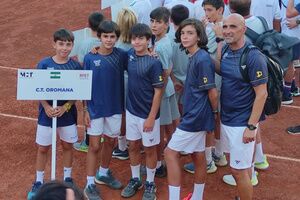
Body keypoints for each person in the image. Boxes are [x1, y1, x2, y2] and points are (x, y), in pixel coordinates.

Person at [164, 18, 218, 200]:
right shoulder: (194, 56)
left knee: (170, 153)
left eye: (190, 33)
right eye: (183, 33)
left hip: (195, 117)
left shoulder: (201, 59)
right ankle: (197, 197)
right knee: (198, 156)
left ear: (199, 36)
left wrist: (214, 115)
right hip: (196, 114)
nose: (185, 36)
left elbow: (212, 92)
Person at [220, 0, 271, 188]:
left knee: (240, 172)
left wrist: (251, 126)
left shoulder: (253, 56)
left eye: (233, 26)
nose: (227, 30)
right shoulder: (225, 49)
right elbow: (223, 70)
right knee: (236, 167)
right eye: (225, 26)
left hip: (242, 123)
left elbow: (262, 94)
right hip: (227, 118)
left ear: (243, 29)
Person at [27, 28, 82, 200]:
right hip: (46, 115)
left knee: (67, 146)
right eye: (61, 44)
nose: (64, 48)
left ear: (72, 45)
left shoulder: (75, 66)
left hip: (67, 114)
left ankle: (67, 178)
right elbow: (37, 88)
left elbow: (78, 91)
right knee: (43, 148)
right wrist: (46, 106)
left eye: (68, 44)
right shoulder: (44, 64)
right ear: (54, 44)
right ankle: (38, 181)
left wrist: (66, 106)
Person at [82, 20, 127, 200]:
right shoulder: (89, 58)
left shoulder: (121, 55)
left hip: (115, 107)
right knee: (94, 146)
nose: (109, 40)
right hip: (94, 109)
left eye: (112, 37)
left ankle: (103, 173)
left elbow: (139, 56)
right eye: (105, 36)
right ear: (99, 37)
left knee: (110, 142)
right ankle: (89, 183)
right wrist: (84, 109)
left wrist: (152, 53)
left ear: (117, 38)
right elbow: (83, 85)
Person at [184, 0, 228, 176]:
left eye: (209, 10)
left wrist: (216, 37)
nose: (206, 13)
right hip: (215, 77)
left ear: (220, 10)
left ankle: (208, 161)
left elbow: (220, 59)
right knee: (216, 118)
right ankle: (219, 153)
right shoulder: (212, 26)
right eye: (204, 9)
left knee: (211, 117)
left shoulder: (223, 29)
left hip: (214, 78)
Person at [121, 23, 164, 200]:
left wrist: (151, 118)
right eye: (134, 38)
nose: (137, 42)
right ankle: (135, 179)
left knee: (150, 149)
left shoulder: (154, 62)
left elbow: (158, 91)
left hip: (148, 115)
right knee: (133, 146)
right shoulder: (129, 55)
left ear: (148, 41)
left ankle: (151, 183)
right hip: (131, 111)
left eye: (141, 38)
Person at [150, 7, 181, 178]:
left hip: (161, 92)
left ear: (166, 24)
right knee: (171, 128)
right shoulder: (165, 40)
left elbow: (164, 72)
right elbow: (169, 68)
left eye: (158, 22)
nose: (154, 25)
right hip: (167, 89)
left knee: (160, 131)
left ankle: (160, 164)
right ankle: (171, 158)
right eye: (152, 21)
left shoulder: (160, 47)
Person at [73, 12, 105, 153]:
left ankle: (87, 141)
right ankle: (100, 136)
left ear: (88, 25)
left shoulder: (85, 43)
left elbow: (80, 63)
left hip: (89, 83)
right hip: (103, 82)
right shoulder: (105, 41)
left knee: (88, 111)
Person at [112, 8, 138, 161]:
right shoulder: (140, 42)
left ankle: (122, 147)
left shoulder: (117, 47)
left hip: (122, 82)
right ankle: (136, 143)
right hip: (136, 82)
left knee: (122, 113)